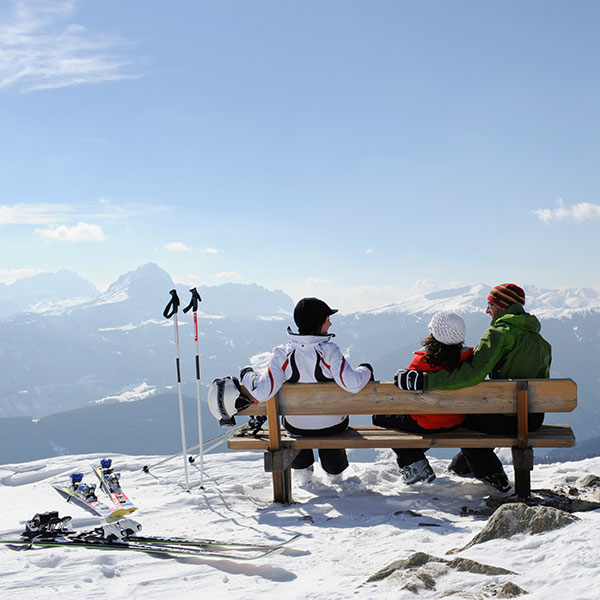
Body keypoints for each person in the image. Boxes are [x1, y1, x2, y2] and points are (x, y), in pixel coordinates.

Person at [396, 283, 552, 493]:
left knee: (463, 419)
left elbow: (472, 373)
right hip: (533, 418)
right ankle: (461, 467)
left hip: (507, 418)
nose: (487, 311)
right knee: (474, 418)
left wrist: (425, 381)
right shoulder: (540, 341)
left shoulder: (498, 334)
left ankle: (491, 472)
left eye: (490, 305)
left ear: (502, 306)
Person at [240, 297, 373, 485]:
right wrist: (366, 369)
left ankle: (303, 472)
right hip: (332, 427)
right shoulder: (329, 351)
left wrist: (247, 375)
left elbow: (262, 393)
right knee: (329, 424)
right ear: (318, 322)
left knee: (296, 427)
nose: (331, 322)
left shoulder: (282, 354)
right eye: (327, 318)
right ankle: (335, 473)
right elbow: (352, 384)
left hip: (297, 427)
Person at [373, 311, 473, 485]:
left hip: (425, 424)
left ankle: (415, 463)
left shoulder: (420, 364)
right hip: (457, 420)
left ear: (434, 334)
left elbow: (405, 397)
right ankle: (421, 461)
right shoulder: (469, 361)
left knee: (379, 417)